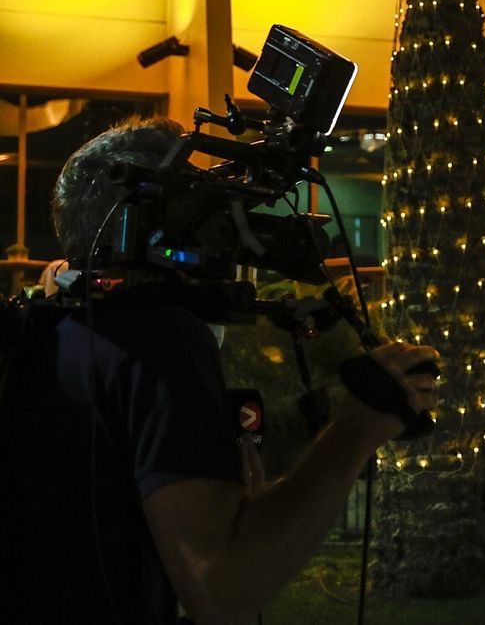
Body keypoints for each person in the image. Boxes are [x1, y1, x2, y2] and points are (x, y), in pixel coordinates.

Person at [0, 118, 439, 624]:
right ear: (162, 219)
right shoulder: (159, 339)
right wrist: (359, 427)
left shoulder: (59, 320)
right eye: (213, 202)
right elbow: (224, 590)